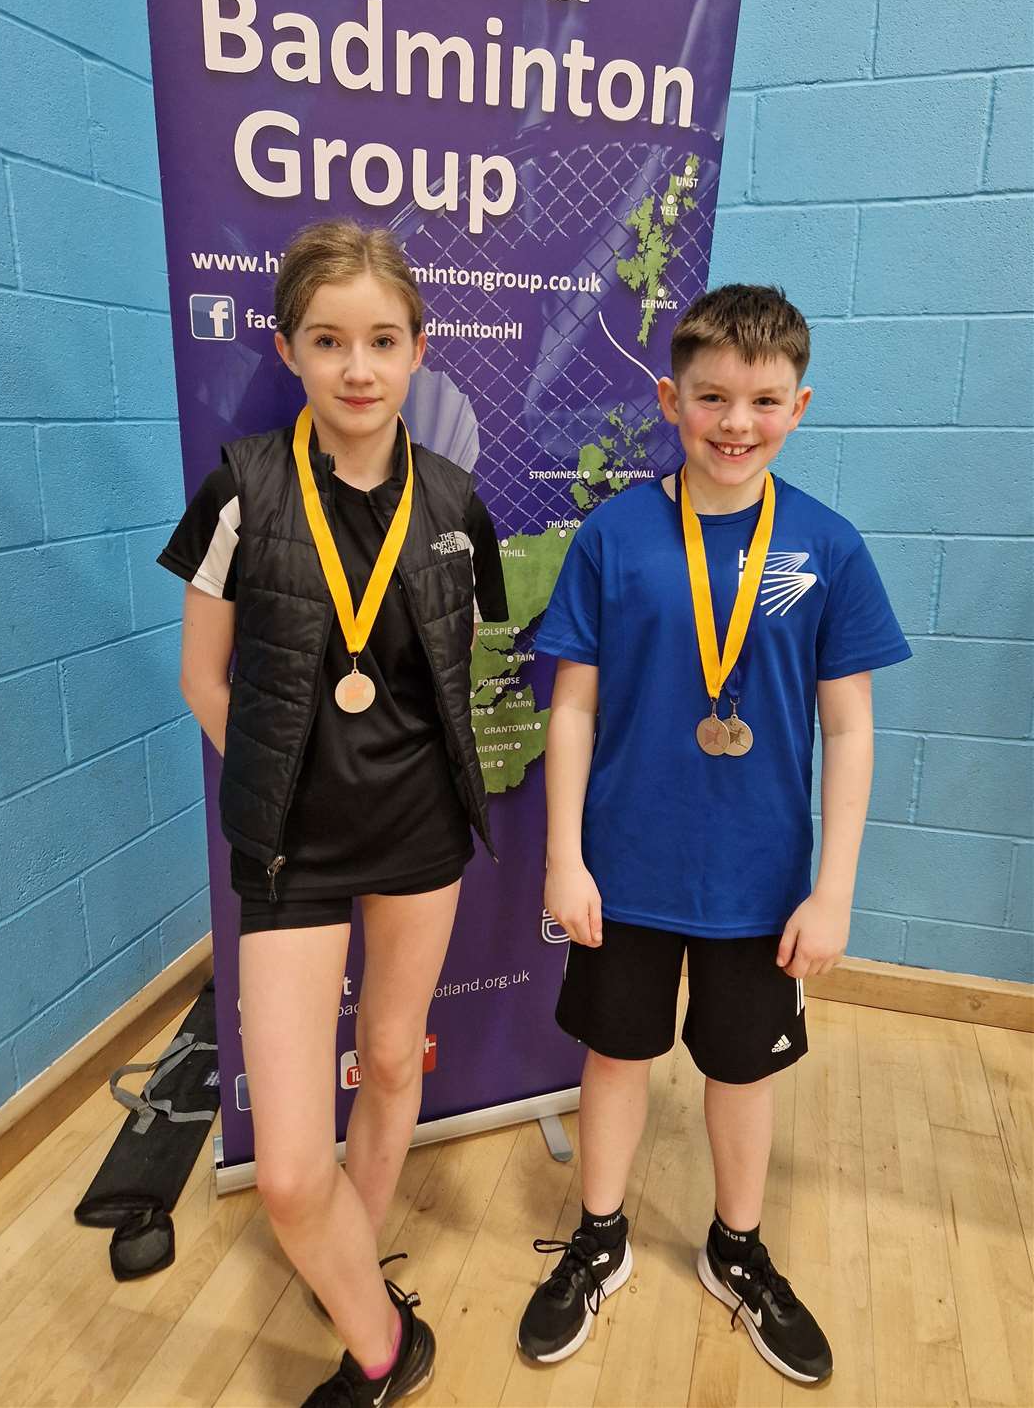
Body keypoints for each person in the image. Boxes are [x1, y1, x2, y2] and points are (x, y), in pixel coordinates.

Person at [517, 285, 911, 1384]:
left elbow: (850, 726)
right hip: (626, 870)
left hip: (762, 881)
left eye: (764, 399)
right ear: (669, 399)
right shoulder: (616, 533)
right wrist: (563, 855)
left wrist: (832, 889)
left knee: (743, 1069)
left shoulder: (828, 545)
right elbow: (576, 706)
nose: (737, 421)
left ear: (800, 405)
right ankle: (600, 1235)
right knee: (615, 1052)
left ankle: (736, 1247)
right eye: (713, 396)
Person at [159, 219, 507, 1407]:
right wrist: (274, 774)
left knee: (391, 1060)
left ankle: (356, 1290)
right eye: (328, 340)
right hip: (291, 848)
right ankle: (391, 1342)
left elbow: (450, 681)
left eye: (381, 339)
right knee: (293, 1171)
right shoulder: (242, 487)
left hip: (421, 841)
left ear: (420, 349)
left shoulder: (459, 499)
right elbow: (205, 678)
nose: (357, 366)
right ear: (288, 347)